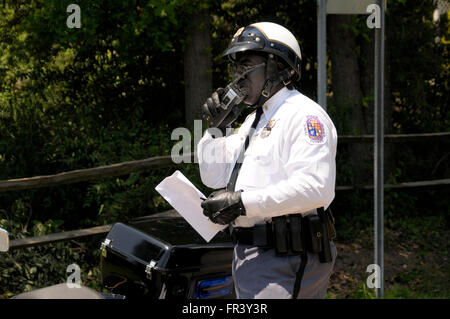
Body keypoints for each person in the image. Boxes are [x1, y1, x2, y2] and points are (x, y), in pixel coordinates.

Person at [197, 22, 338, 299]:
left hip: (285, 255)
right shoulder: (253, 120)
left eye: (246, 65)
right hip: (248, 254)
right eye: (235, 68)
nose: (237, 77)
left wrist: (240, 203)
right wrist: (216, 130)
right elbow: (213, 177)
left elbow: (316, 188)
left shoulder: (304, 115)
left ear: (277, 67)